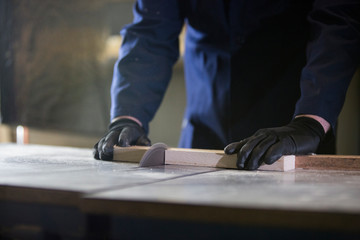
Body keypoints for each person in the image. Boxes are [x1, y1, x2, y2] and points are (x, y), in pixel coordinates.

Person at [94, 0, 360, 170]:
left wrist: (311, 121)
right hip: (204, 126)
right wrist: (128, 117)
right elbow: (151, 29)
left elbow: (338, 22)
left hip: (293, 126)